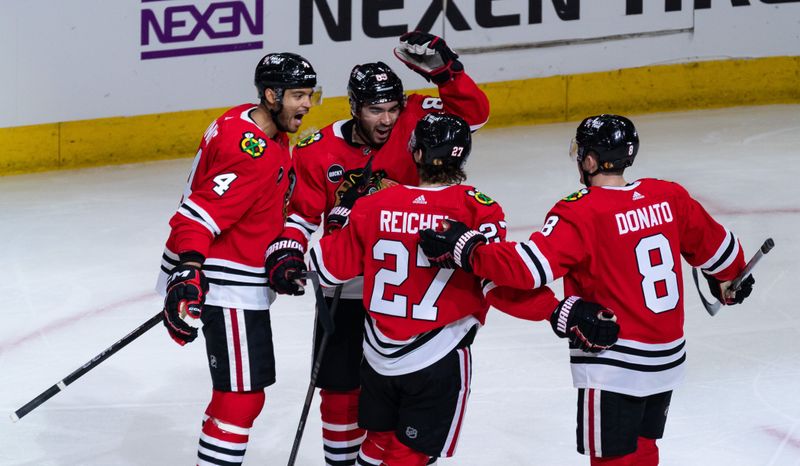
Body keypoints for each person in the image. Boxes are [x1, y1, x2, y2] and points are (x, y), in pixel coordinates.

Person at [418, 114, 756, 465]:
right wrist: (729, 281)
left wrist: (470, 248)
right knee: (644, 452)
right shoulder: (667, 195)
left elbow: (525, 270)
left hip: (615, 361)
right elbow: (721, 251)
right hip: (666, 360)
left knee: (613, 460)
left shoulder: (582, 211)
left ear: (590, 160)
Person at [263, 31, 490, 466]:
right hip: (344, 285)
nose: (386, 120)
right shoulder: (316, 151)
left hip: (406, 287)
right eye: (374, 110)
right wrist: (288, 251)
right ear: (354, 108)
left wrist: (447, 71)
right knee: (340, 387)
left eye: (392, 108)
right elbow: (301, 218)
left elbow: (474, 115)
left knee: (392, 394)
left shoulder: (417, 117)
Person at [155, 52, 318, 466]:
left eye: (309, 95)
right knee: (241, 399)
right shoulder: (252, 152)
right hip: (228, 283)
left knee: (239, 396)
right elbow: (197, 214)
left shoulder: (244, 119)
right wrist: (189, 269)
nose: (307, 105)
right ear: (270, 94)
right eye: (298, 96)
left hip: (236, 275)